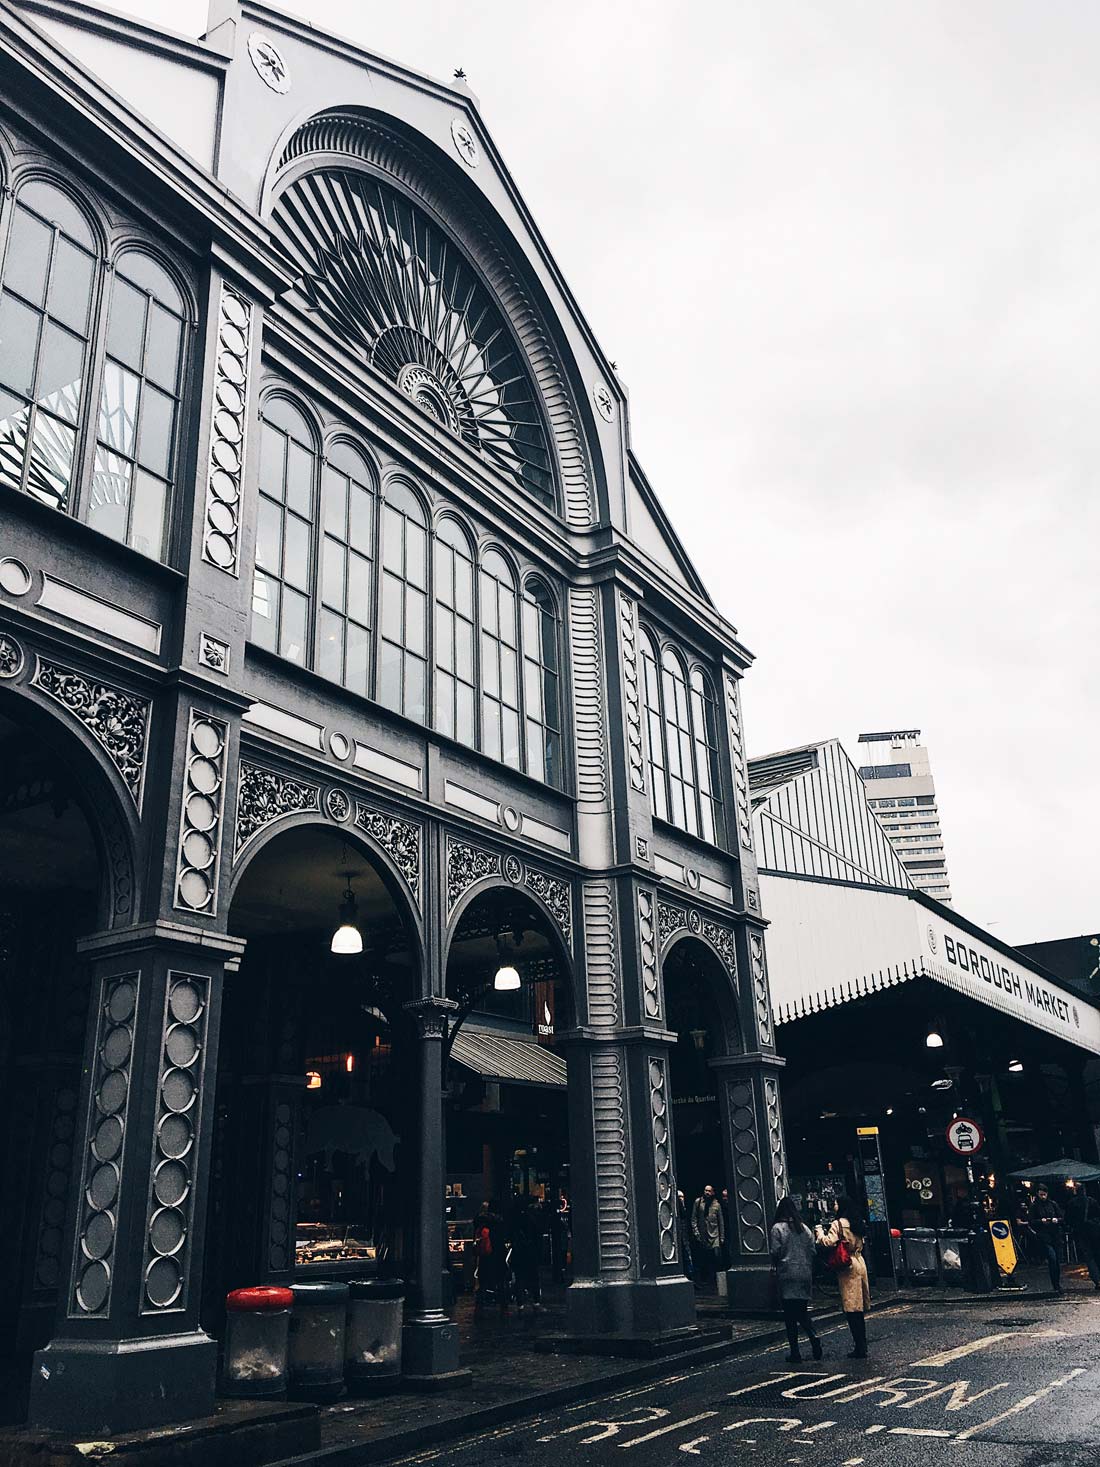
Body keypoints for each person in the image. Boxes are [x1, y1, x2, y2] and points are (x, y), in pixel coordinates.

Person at [815, 1195, 870, 1359]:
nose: (834, 1206)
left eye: (836, 1203)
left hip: (848, 1265)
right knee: (859, 1308)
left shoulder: (838, 1224)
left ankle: (859, 1347)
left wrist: (819, 1233)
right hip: (860, 1261)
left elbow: (829, 1242)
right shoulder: (857, 1222)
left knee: (851, 1307)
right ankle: (862, 1344)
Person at [770, 1196, 823, 1363]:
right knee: (802, 1310)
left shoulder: (777, 1229)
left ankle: (795, 1352)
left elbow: (775, 1251)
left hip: (786, 1274)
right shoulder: (805, 1229)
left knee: (790, 1316)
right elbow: (813, 1251)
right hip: (804, 1274)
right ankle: (813, 1335)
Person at [474, 1199, 510, 1315]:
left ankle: (479, 1306)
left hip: (485, 1255)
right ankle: (504, 1307)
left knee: (483, 1282)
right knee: (500, 1282)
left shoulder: (480, 1220)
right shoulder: (498, 1221)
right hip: (497, 1254)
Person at [510, 1194, 544, 1310]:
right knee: (533, 1276)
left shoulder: (515, 1218)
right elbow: (537, 1233)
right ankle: (535, 1301)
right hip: (530, 1252)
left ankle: (520, 1303)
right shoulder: (531, 1218)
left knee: (520, 1278)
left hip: (519, 1252)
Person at [1030, 1184, 1065, 1293]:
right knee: (1052, 1258)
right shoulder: (1034, 1206)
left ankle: (1057, 1284)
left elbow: (1062, 1218)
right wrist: (1041, 1221)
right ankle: (1055, 1284)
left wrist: (1056, 1220)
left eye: (1044, 1194)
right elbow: (1031, 1221)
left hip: (1055, 1235)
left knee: (1056, 1261)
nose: (1043, 1197)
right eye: (1041, 1194)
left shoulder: (1053, 1204)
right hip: (1044, 1236)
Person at [1065, 1182, 1100, 1291]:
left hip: (1081, 1232)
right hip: (1094, 1231)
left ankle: (1097, 1280)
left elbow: (1067, 1219)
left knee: (1089, 1257)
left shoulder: (1072, 1203)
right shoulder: (1092, 1201)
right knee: (1097, 1254)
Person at [692, 1184, 725, 1286]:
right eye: (705, 1190)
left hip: (714, 1235)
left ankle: (715, 1278)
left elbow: (721, 1222)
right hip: (703, 1235)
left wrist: (722, 1237)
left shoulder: (717, 1205)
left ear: (713, 1192)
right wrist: (696, 1233)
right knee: (705, 1258)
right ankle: (706, 1278)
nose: (707, 1193)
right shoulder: (698, 1203)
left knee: (716, 1256)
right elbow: (694, 1218)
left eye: (709, 1191)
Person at [550, 1190, 571, 1285]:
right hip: (562, 1241)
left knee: (561, 1256)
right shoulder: (562, 1222)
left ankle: (561, 1272)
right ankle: (561, 1272)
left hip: (561, 1241)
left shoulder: (559, 1221)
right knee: (562, 1257)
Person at [677, 1191, 694, 1281]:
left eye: (682, 1197)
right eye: (679, 1197)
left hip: (685, 1236)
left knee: (688, 1257)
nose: (681, 1199)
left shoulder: (684, 1207)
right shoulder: (678, 1206)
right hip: (679, 1237)